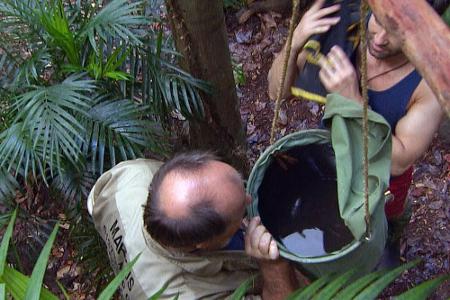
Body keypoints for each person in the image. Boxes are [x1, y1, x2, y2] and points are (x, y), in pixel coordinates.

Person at [268, 0, 446, 225]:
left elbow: (398, 162)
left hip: (381, 183)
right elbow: (276, 92)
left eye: (398, 33)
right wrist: (293, 44)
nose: (379, 39)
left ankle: (395, 227)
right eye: (379, 21)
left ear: (425, 32)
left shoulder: (428, 83)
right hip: (335, 156)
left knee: (382, 223)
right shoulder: (345, 29)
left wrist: (352, 100)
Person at [87, 152, 298, 299]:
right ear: (204, 243)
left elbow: (94, 200)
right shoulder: (184, 295)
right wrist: (274, 268)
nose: (250, 198)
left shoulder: (131, 176)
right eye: (241, 211)